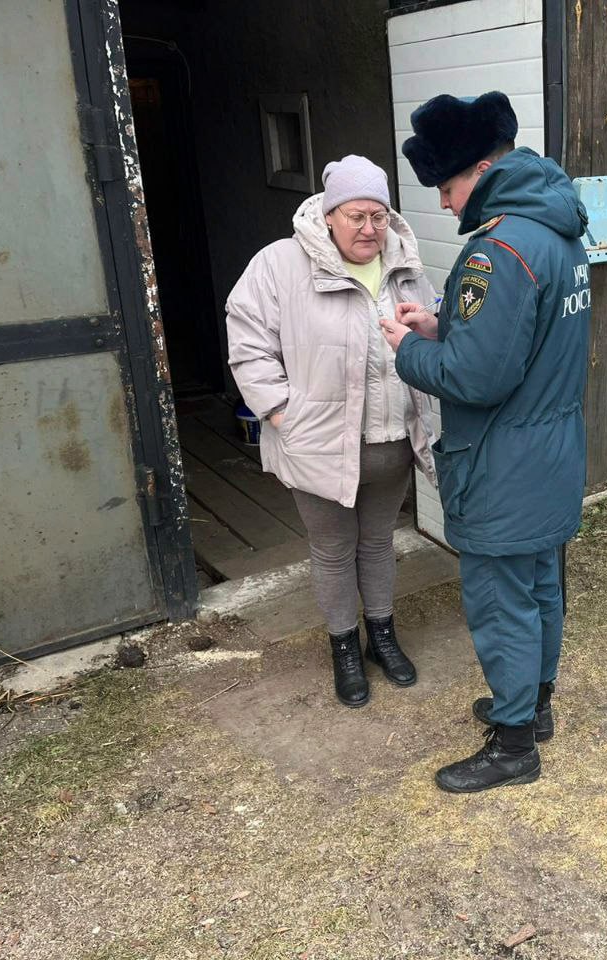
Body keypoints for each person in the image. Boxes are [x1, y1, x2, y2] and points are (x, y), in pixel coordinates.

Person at [379, 91, 591, 793]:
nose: (443, 204)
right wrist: (443, 326)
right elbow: (524, 339)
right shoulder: (557, 230)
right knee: (540, 587)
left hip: (504, 462)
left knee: (503, 603)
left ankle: (513, 745)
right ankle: (534, 707)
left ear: (480, 168)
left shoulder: (497, 250)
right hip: (550, 451)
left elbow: (475, 378)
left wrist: (408, 347)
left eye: (445, 187)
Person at [226, 155, 438, 708]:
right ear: (328, 215)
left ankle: (382, 637)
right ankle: (344, 647)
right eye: (356, 216)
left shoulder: (405, 264)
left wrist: (432, 333)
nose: (369, 229)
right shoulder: (280, 264)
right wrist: (280, 413)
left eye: (378, 216)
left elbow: (433, 335)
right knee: (333, 550)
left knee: (379, 543)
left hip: (391, 444)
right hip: (317, 447)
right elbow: (247, 342)